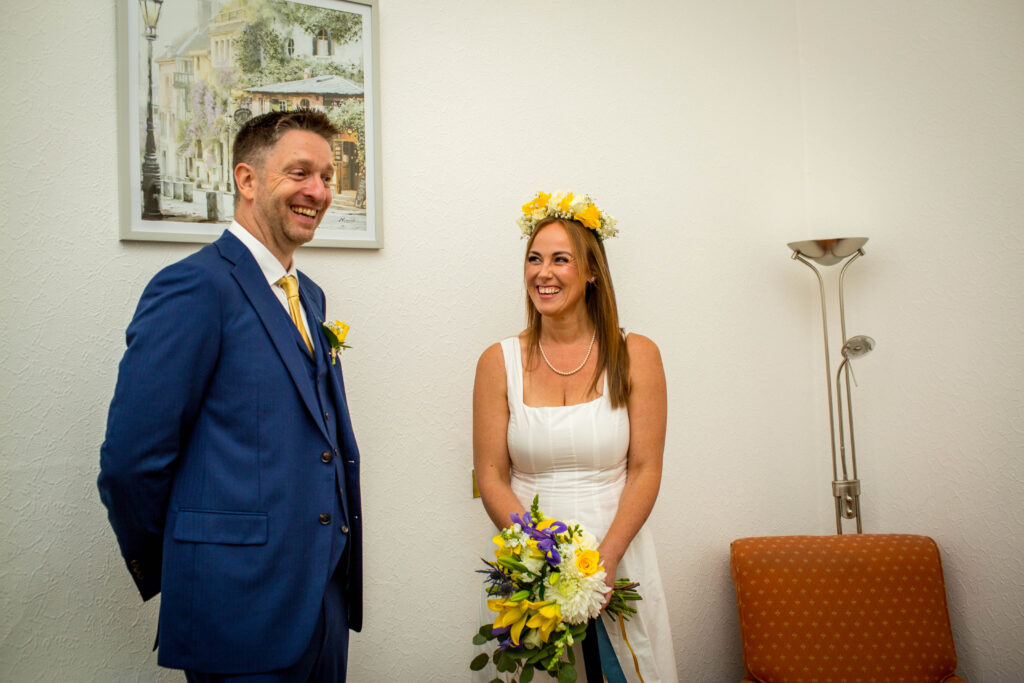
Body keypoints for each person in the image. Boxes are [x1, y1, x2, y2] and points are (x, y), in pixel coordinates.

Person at [98, 109, 362, 682]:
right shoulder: (195, 286)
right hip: (236, 607)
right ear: (247, 179)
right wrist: (192, 561)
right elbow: (131, 462)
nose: (319, 191)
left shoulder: (309, 296)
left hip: (322, 606)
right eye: (299, 173)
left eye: (325, 177)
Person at [473, 192, 678, 682]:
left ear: (591, 272)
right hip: (528, 561)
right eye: (534, 259)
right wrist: (539, 561)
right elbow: (491, 475)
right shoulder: (497, 362)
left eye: (560, 259)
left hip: (618, 552)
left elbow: (646, 468)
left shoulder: (637, 355)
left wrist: (605, 560)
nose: (543, 273)